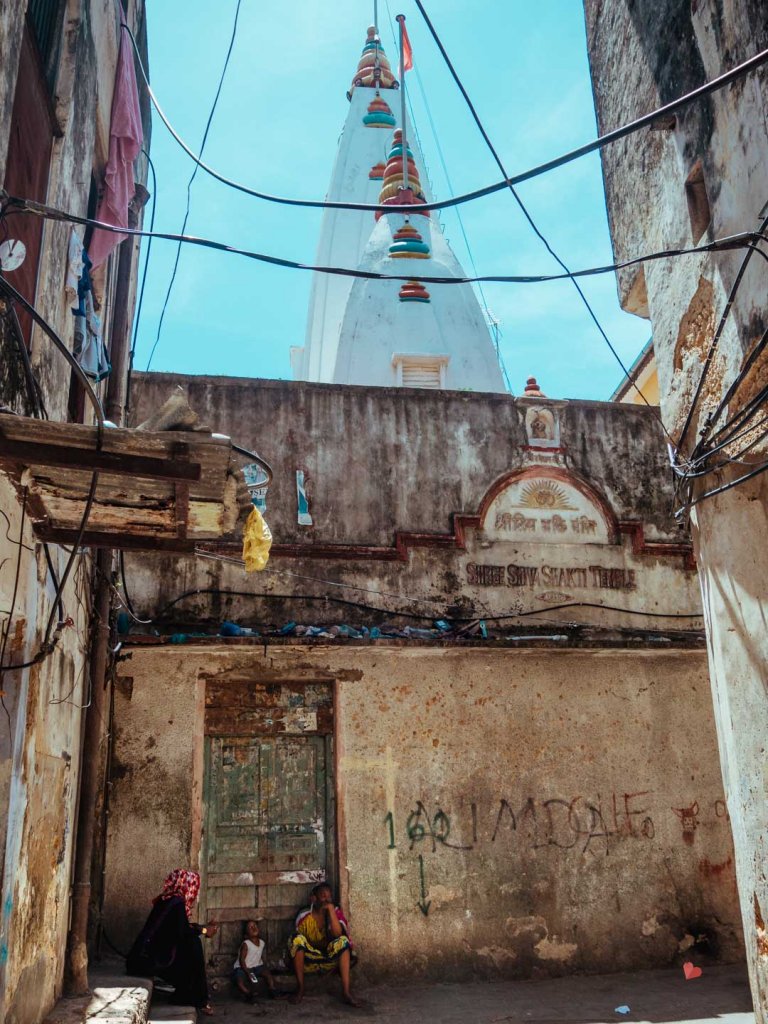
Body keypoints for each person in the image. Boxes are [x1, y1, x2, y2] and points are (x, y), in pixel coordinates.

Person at [126, 868, 218, 1016]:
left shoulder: (169, 900)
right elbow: (183, 933)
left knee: (191, 943)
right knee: (194, 945)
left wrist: (202, 928)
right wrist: (204, 931)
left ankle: (193, 995)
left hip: (142, 959)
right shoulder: (176, 902)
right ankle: (199, 999)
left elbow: (180, 928)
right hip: (145, 961)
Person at [288, 883, 359, 1006]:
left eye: (329, 897)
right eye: (323, 896)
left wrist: (331, 911)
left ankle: (347, 992)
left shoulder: (335, 912)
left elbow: (338, 935)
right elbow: (299, 944)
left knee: (343, 941)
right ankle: (300, 988)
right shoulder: (304, 915)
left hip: (330, 961)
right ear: (313, 898)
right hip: (309, 961)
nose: (326, 900)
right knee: (296, 939)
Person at [232, 919, 276, 1001]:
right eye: (250, 927)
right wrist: (248, 972)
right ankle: (248, 994)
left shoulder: (262, 943)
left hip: (256, 966)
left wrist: (263, 966)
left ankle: (272, 989)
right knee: (240, 981)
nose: (254, 928)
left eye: (255, 926)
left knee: (268, 974)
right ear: (246, 935)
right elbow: (242, 960)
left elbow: (259, 956)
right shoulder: (246, 944)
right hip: (243, 967)